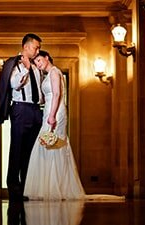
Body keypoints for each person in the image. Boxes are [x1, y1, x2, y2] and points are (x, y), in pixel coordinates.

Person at [24, 50, 125, 201]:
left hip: (55, 113)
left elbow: (57, 94)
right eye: (36, 62)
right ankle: (50, 188)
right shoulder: (48, 74)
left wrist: (52, 115)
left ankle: (55, 188)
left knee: (52, 145)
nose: (38, 64)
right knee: (49, 146)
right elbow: (49, 96)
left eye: (39, 60)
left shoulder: (53, 72)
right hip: (50, 111)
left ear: (46, 57)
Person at [0, 33, 43, 201]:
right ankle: (14, 190)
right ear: (26, 47)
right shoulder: (16, 65)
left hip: (36, 110)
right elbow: (14, 84)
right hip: (21, 110)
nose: (38, 51)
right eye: (36, 47)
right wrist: (26, 69)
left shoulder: (36, 67)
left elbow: (39, 90)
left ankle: (27, 188)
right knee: (17, 150)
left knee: (31, 151)